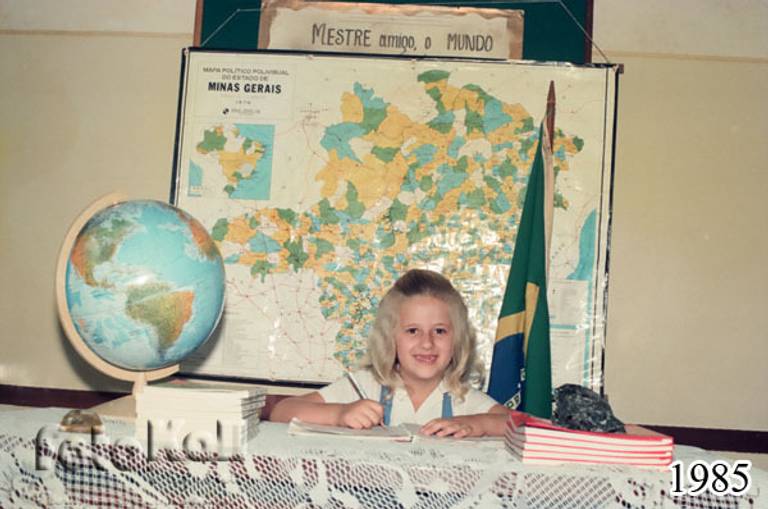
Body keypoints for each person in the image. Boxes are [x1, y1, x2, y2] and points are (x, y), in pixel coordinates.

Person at [270, 269, 509, 438]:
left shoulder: (462, 399)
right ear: (389, 337)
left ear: (457, 339)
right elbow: (282, 411)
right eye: (412, 330)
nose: (427, 343)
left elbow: (523, 426)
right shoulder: (365, 386)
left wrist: (477, 424)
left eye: (439, 331)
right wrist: (339, 414)